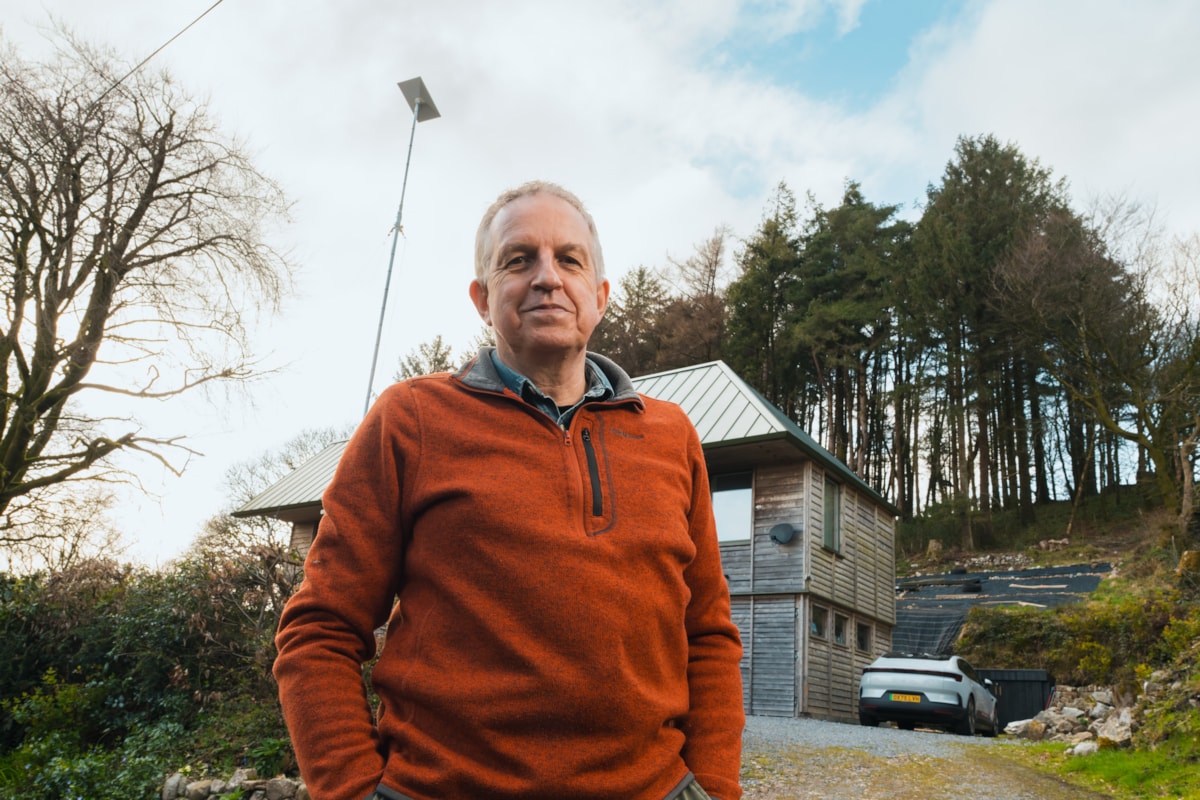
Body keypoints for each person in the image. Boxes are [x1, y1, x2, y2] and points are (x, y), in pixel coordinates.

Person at [274, 181, 745, 800]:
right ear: (482, 297)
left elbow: (707, 636)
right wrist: (354, 789)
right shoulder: (410, 419)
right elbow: (320, 629)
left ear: (600, 297)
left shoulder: (670, 435)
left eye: (569, 259)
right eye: (518, 259)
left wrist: (712, 787)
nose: (547, 277)